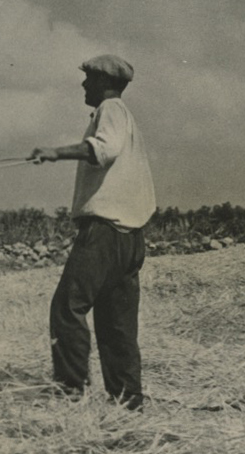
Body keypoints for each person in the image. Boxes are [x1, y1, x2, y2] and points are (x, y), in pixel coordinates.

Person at [29, 55, 156, 409]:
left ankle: (70, 392)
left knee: (67, 308)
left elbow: (104, 149)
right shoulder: (126, 117)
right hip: (130, 236)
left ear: (105, 82)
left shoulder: (110, 109)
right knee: (117, 325)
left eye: (89, 78)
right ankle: (128, 402)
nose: (84, 84)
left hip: (104, 233)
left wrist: (55, 152)